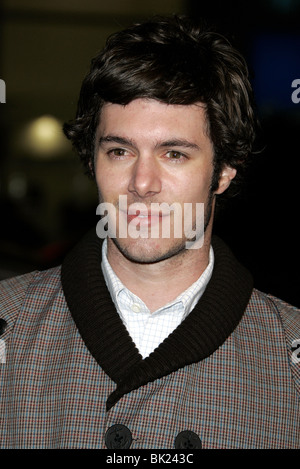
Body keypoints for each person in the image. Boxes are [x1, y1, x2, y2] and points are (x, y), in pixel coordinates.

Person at [0, 15, 299, 450]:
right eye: (120, 151)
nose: (142, 183)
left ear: (224, 172)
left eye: (174, 154)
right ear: (92, 162)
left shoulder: (289, 358)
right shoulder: (9, 328)